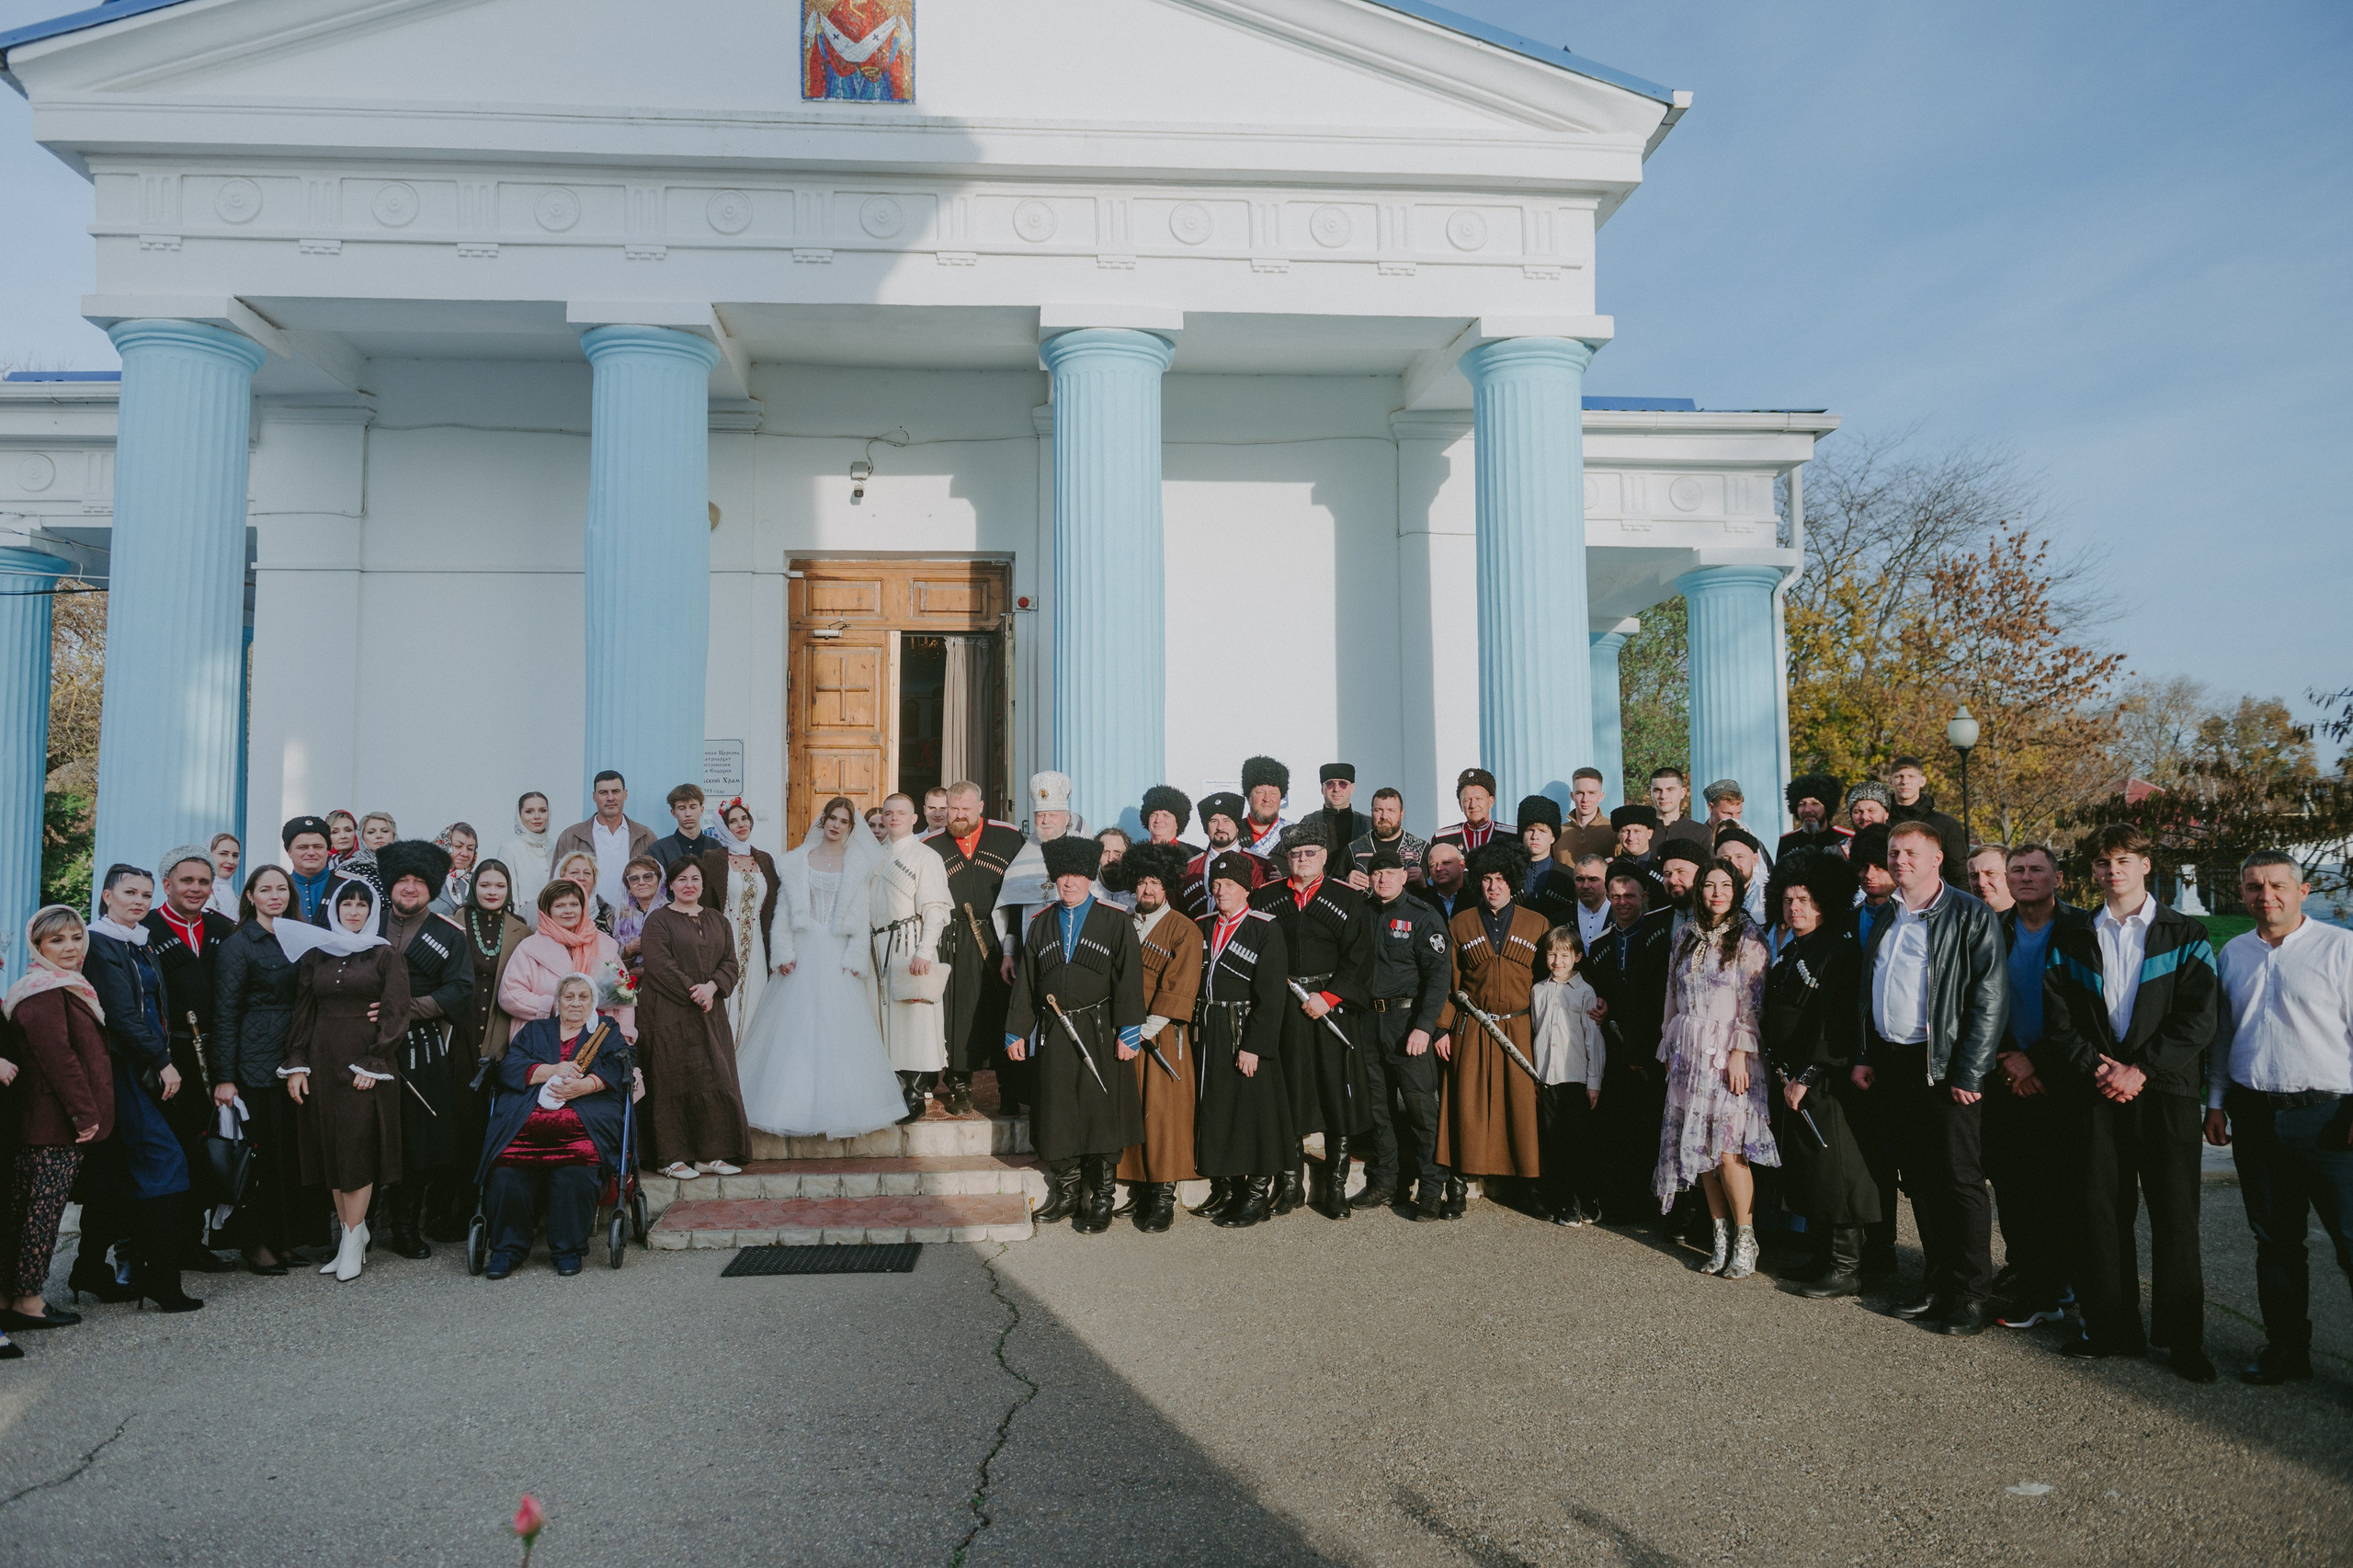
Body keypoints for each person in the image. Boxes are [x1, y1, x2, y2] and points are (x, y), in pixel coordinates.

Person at [2036, 824, 2218, 1381]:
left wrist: (2141, 1069)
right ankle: (2113, 1328)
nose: (2112, 870)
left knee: (2174, 1217)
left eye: (2123, 860)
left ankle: (2182, 1340)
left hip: (2165, 1092)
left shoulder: (2183, 933)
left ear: (2144, 864)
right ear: (2092, 871)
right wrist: (2099, 1067)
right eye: (2101, 862)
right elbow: (2057, 1018)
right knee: (2100, 1213)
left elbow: (2199, 1017)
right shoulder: (2072, 936)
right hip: (2095, 1091)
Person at [1852, 819, 2008, 1336]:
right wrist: (1869, 1054)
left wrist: (1969, 1068)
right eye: (1894, 852)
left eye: (1910, 852)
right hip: (1895, 1065)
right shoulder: (1886, 914)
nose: (1900, 861)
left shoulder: (1969, 914)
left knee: (1960, 1181)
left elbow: (1988, 998)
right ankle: (1937, 1283)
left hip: (1944, 1067)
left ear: (1937, 858)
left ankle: (1970, 1294)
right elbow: (1873, 989)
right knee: (1919, 1180)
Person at [2203, 850, 2353, 1386]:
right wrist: (2216, 1101)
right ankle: (2287, 1349)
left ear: (2302, 890)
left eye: (2276, 886)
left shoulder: (2341, 948)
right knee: (2275, 1242)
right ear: (2241, 893)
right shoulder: (2234, 954)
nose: (2265, 897)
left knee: (2350, 1243)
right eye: (2253, 887)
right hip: (2256, 1117)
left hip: (2332, 1119)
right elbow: (2223, 1036)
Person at [736, 796, 903, 1140]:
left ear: (850, 828)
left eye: (843, 821)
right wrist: (782, 951)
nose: (835, 825)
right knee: (795, 1031)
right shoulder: (797, 861)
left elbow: (861, 915)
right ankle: (791, 1107)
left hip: (838, 952)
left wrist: (856, 956)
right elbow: (783, 910)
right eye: (831, 818)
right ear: (822, 820)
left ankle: (838, 1110)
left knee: (839, 1031)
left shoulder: (857, 863)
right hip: (804, 949)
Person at [1004, 835, 1145, 1233]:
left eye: (1078, 876)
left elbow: (1129, 982)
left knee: (1101, 1112)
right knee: (1057, 1109)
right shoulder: (1041, 922)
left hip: (1101, 1029)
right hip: (1053, 1032)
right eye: (1063, 876)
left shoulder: (1116, 920)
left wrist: (1129, 1034)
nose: (1069, 883)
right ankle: (1067, 1195)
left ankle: (1101, 1199)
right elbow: (1027, 984)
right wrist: (1016, 1032)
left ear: (1090, 877)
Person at [76, 866, 199, 1311]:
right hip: (119, 1070)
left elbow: (154, 1009)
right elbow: (122, 1016)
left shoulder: (138, 942)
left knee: (114, 1173)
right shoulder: (100, 943)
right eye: (129, 892)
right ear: (107, 896)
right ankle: (160, 1280)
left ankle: (89, 1268)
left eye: (146, 895)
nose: (139, 901)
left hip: (139, 1069)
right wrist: (163, 1061)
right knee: (166, 1165)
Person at [1760, 849, 1879, 1298]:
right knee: (1812, 1170)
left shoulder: (1839, 949)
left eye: (1805, 900)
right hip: (1791, 1076)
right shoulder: (1795, 947)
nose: (1795, 908)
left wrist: (1808, 1074)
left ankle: (1846, 1268)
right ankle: (1823, 1256)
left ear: (1824, 902)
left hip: (1825, 1080)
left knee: (1837, 1169)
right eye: (1789, 900)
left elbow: (1838, 1021)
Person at [278, 879, 409, 1283]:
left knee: (356, 1148)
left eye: (362, 905)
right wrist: (297, 1062)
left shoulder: (384, 955)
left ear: (373, 911)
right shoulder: (316, 953)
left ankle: (352, 1240)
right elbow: (303, 1011)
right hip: (321, 1058)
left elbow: (396, 1013)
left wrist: (375, 1060)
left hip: (364, 1062)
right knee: (330, 1149)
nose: (354, 911)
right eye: (347, 904)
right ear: (335, 908)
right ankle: (352, 1233)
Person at [1654, 858, 1776, 1278]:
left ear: (1738, 890)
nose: (1717, 892)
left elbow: (1754, 1000)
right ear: (1699, 890)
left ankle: (1745, 1239)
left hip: (1729, 1054)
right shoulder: (1685, 935)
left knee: (1728, 1150)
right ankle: (1719, 1238)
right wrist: (1668, 1042)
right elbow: (1672, 991)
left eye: (1726, 885)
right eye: (1709, 885)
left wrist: (1741, 1051)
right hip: (1689, 1053)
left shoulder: (1749, 936)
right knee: (1702, 1152)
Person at [1251, 822, 1378, 1219]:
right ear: (1286, 859)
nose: (1301, 860)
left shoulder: (1347, 898)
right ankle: (1290, 1186)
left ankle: (1335, 1188)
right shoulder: (1266, 897)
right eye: (1294, 855)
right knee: (1288, 1092)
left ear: (1324, 856)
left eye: (1309, 853)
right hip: (1285, 1009)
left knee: (1335, 1093)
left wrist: (1329, 996)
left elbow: (1360, 954)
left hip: (1332, 1008)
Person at [476, 975, 636, 1278]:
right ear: (558, 1002)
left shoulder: (606, 1031)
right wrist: (549, 1070)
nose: (576, 1003)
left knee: (574, 1174)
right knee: (506, 1174)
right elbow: (510, 1067)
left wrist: (586, 1085)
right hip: (526, 1128)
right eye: (569, 997)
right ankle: (507, 1250)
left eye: (583, 997)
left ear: (593, 1004)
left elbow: (621, 1063)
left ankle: (568, 1250)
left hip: (580, 1129)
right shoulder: (535, 1031)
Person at [2, 905, 108, 1331]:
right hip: (52, 1124)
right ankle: (29, 1301)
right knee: (40, 1218)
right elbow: (59, 1059)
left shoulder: (66, 986)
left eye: (75, 937)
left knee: (27, 1216)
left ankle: (15, 1295)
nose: (70, 947)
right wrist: (84, 1115)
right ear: (38, 946)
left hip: (48, 1122)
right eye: (57, 940)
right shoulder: (42, 990)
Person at [1983, 842, 2075, 1329]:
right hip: (2006, 1076)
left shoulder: (2081, 930)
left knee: (2060, 1189)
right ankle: (2033, 1283)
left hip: (2063, 1078)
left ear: (2056, 878)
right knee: (2015, 1188)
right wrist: (2008, 1061)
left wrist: (2034, 1062)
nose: (2025, 877)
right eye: (2016, 870)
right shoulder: (1995, 930)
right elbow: (1977, 1000)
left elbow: (2088, 1011)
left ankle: (2059, 1283)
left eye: (2036, 869)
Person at [1433, 841, 1547, 1219]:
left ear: (1512, 882)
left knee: (1521, 1107)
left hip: (1519, 1028)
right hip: (1473, 1027)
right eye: (1486, 879)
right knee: (1466, 1104)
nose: (1493, 887)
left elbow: (1550, 982)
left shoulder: (1537, 923)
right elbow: (1450, 983)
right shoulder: (1460, 923)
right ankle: (1458, 1186)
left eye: (1500, 879)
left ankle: (1528, 1185)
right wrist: (1442, 1029)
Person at [373, 842, 475, 1257]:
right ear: (391, 885)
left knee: (415, 1140)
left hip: (420, 1047)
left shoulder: (449, 934)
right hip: (363, 1044)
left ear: (431, 888)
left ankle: (404, 1228)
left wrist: (404, 1011)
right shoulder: (364, 924)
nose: (410, 888)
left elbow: (460, 991)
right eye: (403, 880)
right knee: (362, 1135)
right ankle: (352, 1229)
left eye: (418, 881)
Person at [211, 866, 313, 1274]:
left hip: (296, 1057)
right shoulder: (239, 945)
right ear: (250, 895)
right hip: (254, 1061)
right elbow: (225, 1012)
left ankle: (283, 1239)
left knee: (288, 1156)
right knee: (259, 1158)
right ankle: (254, 1244)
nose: (275, 895)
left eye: (281, 889)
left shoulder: (300, 937)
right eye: (265, 889)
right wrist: (224, 1076)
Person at [143, 843, 238, 1269]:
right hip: (166, 1056)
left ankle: (191, 1242)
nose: (197, 888)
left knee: (205, 1151)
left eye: (204, 881)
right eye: (187, 881)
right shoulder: (145, 929)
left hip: (215, 1050)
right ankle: (141, 1248)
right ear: (167, 884)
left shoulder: (223, 927)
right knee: (166, 1154)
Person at [1104, 844, 1203, 1232]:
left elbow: (1181, 986)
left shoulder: (1184, 929)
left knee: (1164, 1116)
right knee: (1130, 1111)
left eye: (1155, 882)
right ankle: (1139, 1191)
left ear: (1168, 887)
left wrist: (1142, 1031)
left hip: (1162, 1036)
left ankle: (1163, 1199)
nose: (1147, 889)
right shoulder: (1121, 922)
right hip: (1123, 1033)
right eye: (1142, 881)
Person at [637, 859, 752, 1181]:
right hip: (668, 1013)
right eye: (682, 879)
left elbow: (731, 961)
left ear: (704, 884)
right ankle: (670, 1157)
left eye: (696, 878)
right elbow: (659, 965)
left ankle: (709, 1154)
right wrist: (694, 991)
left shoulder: (718, 920)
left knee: (712, 1076)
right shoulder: (658, 920)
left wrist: (713, 987)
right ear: (670, 885)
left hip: (710, 1012)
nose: (689, 884)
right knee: (671, 1079)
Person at [1358, 849, 1450, 1219]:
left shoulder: (1422, 916)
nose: (1383, 880)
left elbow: (1438, 977)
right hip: (1368, 1023)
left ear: (1403, 875)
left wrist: (1425, 1027)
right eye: (1377, 874)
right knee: (1378, 1111)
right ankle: (1386, 1181)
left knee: (1420, 1110)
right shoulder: (1361, 912)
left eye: (1390, 873)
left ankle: (1430, 1190)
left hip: (1407, 1023)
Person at [928, 781, 1024, 1117]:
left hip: (998, 940)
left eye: (965, 809)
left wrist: (1012, 945)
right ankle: (960, 1087)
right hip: (952, 942)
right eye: (953, 809)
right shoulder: (931, 846)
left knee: (1002, 1013)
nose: (958, 816)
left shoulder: (1009, 838)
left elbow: (1022, 895)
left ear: (981, 807)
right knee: (957, 1016)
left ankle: (1010, 1089)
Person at [1586, 863, 1673, 1225]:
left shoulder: (1659, 935)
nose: (1622, 903)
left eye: (1630, 896)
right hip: (1615, 1049)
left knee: (1649, 1129)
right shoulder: (1601, 944)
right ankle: (1618, 1202)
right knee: (1617, 1128)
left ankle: (1649, 1204)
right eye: (1616, 896)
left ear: (1644, 897)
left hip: (1652, 1048)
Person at [870, 793, 952, 1120]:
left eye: (900, 813)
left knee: (914, 1020)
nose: (893, 818)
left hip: (908, 943)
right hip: (876, 947)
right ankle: (889, 1089)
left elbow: (935, 909)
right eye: (888, 813)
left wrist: (924, 951)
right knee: (883, 1021)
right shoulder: (875, 855)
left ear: (913, 818)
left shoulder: (925, 856)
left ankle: (915, 1093)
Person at [1529, 926, 1607, 1227]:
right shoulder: (1539, 990)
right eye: (1552, 954)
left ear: (1577, 956)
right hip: (1549, 1079)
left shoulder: (1585, 992)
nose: (1557, 960)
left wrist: (1594, 1082)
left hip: (1577, 1080)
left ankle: (1582, 1201)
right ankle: (1567, 1200)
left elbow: (1593, 1040)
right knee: (1555, 1143)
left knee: (1578, 1144)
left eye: (1564, 955)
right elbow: (1539, 1031)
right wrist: (1537, 1076)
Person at [501, 881, 632, 1061]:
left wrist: (624, 1036)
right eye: (560, 906)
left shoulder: (605, 945)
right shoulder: (529, 948)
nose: (568, 911)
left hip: (600, 1042)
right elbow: (510, 995)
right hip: (543, 1043)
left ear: (584, 907)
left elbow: (624, 998)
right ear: (547, 911)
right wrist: (554, 1006)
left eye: (574, 904)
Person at [702, 797, 781, 1041]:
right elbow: (706, 906)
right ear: (724, 827)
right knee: (727, 997)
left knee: (755, 999)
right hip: (725, 941)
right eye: (732, 821)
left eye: (744, 818)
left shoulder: (764, 860)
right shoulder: (713, 858)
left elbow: (775, 906)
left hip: (757, 943)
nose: (740, 825)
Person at [554, 770, 657, 913]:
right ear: (594, 797)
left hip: (634, 920)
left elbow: (656, 884)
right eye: (603, 793)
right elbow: (556, 885)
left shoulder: (645, 836)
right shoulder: (571, 836)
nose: (610, 798)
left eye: (615, 791)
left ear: (625, 794)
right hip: (588, 918)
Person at [1182, 791, 1262, 923]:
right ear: (1206, 828)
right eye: (1214, 821)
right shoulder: (1189, 868)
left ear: (1237, 827)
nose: (1220, 827)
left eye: (1227, 820)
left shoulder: (1259, 865)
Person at [1887, 757, 1970, 875]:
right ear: (1890, 781)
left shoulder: (1945, 824)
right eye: (1899, 776)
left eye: (1911, 776)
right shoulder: (1881, 821)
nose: (1905, 781)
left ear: (1922, 781)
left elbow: (1959, 872)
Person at [1346, 787, 1428, 890]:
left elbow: (1442, 895)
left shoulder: (1422, 849)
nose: (1384, 816)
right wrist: (1346, 882)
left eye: (1391, 810)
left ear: (1401, 814)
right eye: (1378, 810)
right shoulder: (1353, 849)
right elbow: (1332, 887)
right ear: (1372, 812)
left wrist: (1425, 884)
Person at [496, 791, 556, 910]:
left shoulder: (556, 848)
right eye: (529, 811)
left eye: (543, 810)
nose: (537, 816)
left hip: (555, 919)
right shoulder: (510, 850)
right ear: (519, 815)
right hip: (524, 920)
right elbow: (509, 895)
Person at [1433, 767, 1511, 855]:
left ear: (1491, 801)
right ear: (1460, 805)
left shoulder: (1511, 837)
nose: (1473, 805)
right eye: (1467, 800)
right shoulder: (1443, 839)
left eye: (1479, 799)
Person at [610, 856, 667, 970]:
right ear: (629, 887)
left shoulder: (671, 912)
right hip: (627, 981)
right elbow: (611, 960)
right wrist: (629, 950)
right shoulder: (621, 917)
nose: (641, 883)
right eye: (634, 879)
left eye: (648, 877)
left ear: (659, 880)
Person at [1309, 765, 1372, 860]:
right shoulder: (1308, 822)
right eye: (1330, 784)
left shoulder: (1367, 824)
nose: (1336, 789)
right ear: (1322, 788)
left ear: (1352, 788)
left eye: (1343, 784)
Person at [1237, 755, 1293, 863]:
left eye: (1273, 793)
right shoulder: (1232, 833)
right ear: (1248, 797)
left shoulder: (1296, 833)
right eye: (1260, 792)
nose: (1267, 799)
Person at [1713, 828, 1772, 929]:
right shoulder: (1709, 894)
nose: (1733, 864)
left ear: (1754, 860)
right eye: (1725, 858)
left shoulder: (1770, 892)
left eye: (1740, 857)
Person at [1778, 775, 1847, 861]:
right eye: (1802, 804)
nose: (1807, 810)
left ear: (1827, 807)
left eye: (1815, 804)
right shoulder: (1787, 841)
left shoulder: (1845, 838)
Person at [1558, 768, 1616, 867]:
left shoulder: (1613, 830)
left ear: (1601, 796)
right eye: (1580, 793)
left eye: (1591, 793)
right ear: (1572, 796)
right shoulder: (1558, 833)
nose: (1585, 799)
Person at [283, 816, 336, 923]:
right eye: (303, 847)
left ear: (327, 851)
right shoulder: (280, 887)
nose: (311, 853)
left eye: (318, 847)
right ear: (289, 852)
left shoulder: (346, 884)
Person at [651, 783, 713, 872]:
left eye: (693, 807)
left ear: (702, 810)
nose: (688, 814)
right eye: (682, 808)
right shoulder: (659, 849)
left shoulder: (715, 847)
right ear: (673, 813)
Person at [553, 850, 617, 935]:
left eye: (587, 873)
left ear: (595, 881)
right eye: (574, 872)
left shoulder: (610, 914)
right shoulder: (544, 910)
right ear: (561, 876)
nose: (581, 878)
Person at [1649, 767, 1711, 850]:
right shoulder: (1640, 833)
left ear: (1682, 793)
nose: (1663, 796)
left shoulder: (1701, 832)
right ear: (1650, 793)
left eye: (1670, 790)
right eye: (1657, 790)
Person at [1414, 841, 1474, 924]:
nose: (1439, 868)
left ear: (1462, 866)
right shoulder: (1421, 906)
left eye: (1446, 863)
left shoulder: (1479, 902)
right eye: (1433, 865)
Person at [427, 824, 479, 916]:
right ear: (444, 845)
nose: (465, 853)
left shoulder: (477, 883)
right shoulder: (425, 878)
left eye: (470, 849)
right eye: (458, 846)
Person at [1140, 785, 1202, 860]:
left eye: (1166, 815)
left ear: (1178, 823)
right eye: (1154, 815)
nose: (1158, 820)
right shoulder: (1135, 856)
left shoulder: (1195, 855)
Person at [1515, 795, 1563, 892]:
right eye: (1530, 830)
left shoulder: (1567, 875)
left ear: (1553, 837)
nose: (1535, 836)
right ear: (1522, 834)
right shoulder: (1508, 873)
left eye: (1542, 831)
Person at [202, 833, 244, 919]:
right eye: (224, 854)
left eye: (235, 855)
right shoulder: (198, 893)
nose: (231, 861)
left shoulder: (237, 900)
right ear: (208, 855)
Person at [1967, 846, 2014, 913]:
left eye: (1990, 873)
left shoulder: (2030, 920)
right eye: (1974, 875)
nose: (1981, 882)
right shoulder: (1961, 920)